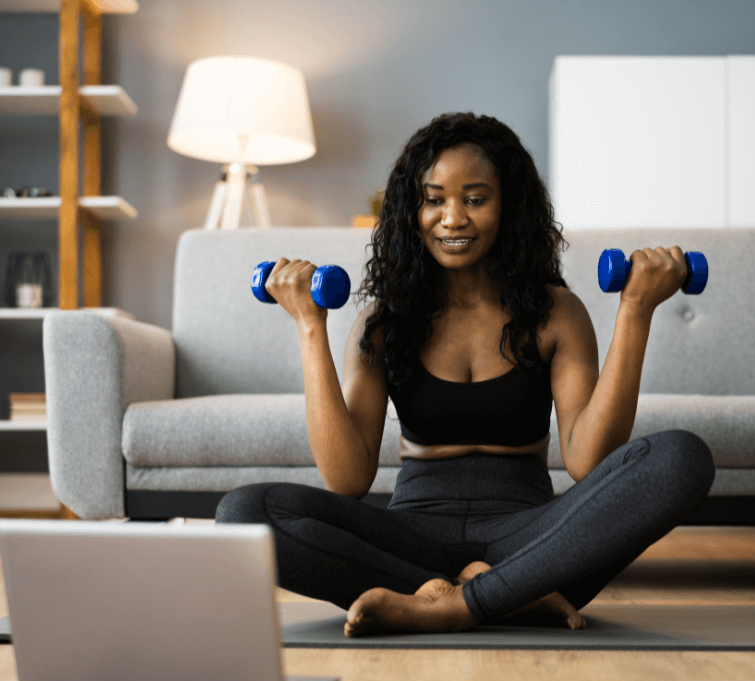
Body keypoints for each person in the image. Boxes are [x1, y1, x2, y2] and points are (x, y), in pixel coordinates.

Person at [216, 111, 715, 637]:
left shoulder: (556, 313)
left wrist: (634, 311)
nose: (452, 218)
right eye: (434, 199)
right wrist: (310, 325)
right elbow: (347, 479)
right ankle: (503, 596)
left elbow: (587, 460)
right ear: (413, 209)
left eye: (475, 199)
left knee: (682, 457)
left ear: (509, 208)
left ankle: (450, 604)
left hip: (531, 536)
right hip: (413, 535)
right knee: (245, 511)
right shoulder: (384, 322)